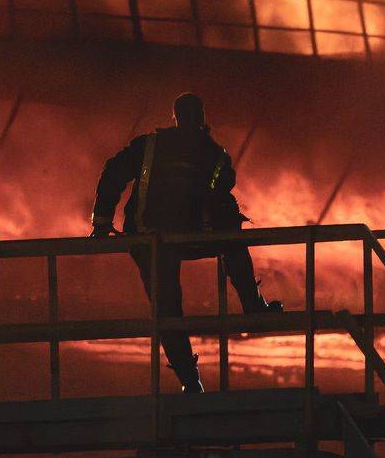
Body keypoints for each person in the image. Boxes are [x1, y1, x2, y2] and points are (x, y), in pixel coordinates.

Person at [90, 92, 279, 393]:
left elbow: (114, 171)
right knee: (230, 233)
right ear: (202, 119)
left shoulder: (150, 147)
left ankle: (191, 383)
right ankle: (253, 307)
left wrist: (101, 222)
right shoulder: (213, 153)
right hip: (183, 235)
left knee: (167, 309)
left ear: (174, 117)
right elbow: (223, 188)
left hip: (150, 237)